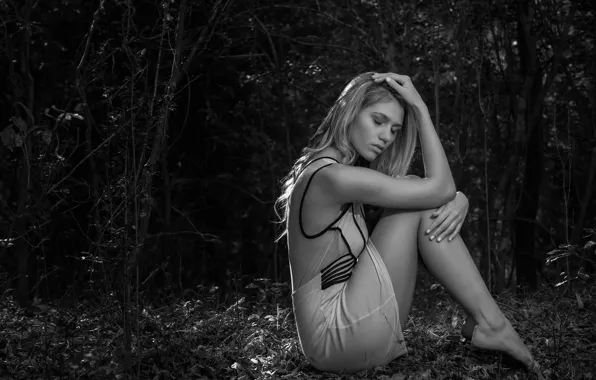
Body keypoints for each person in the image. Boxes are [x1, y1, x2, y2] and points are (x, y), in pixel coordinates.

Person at [275, 71, 543, 376]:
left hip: (352, 330)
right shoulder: (331, 178)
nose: (387, 136)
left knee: (420, 198)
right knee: (419, 195)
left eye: (394, 129)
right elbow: (437, 190)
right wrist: (421, 110)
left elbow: (434, 195)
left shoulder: (334, 175)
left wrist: (457, 197)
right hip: (336, 338)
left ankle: (488, 323)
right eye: (378, 121)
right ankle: (491, 324)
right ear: (349, 110)